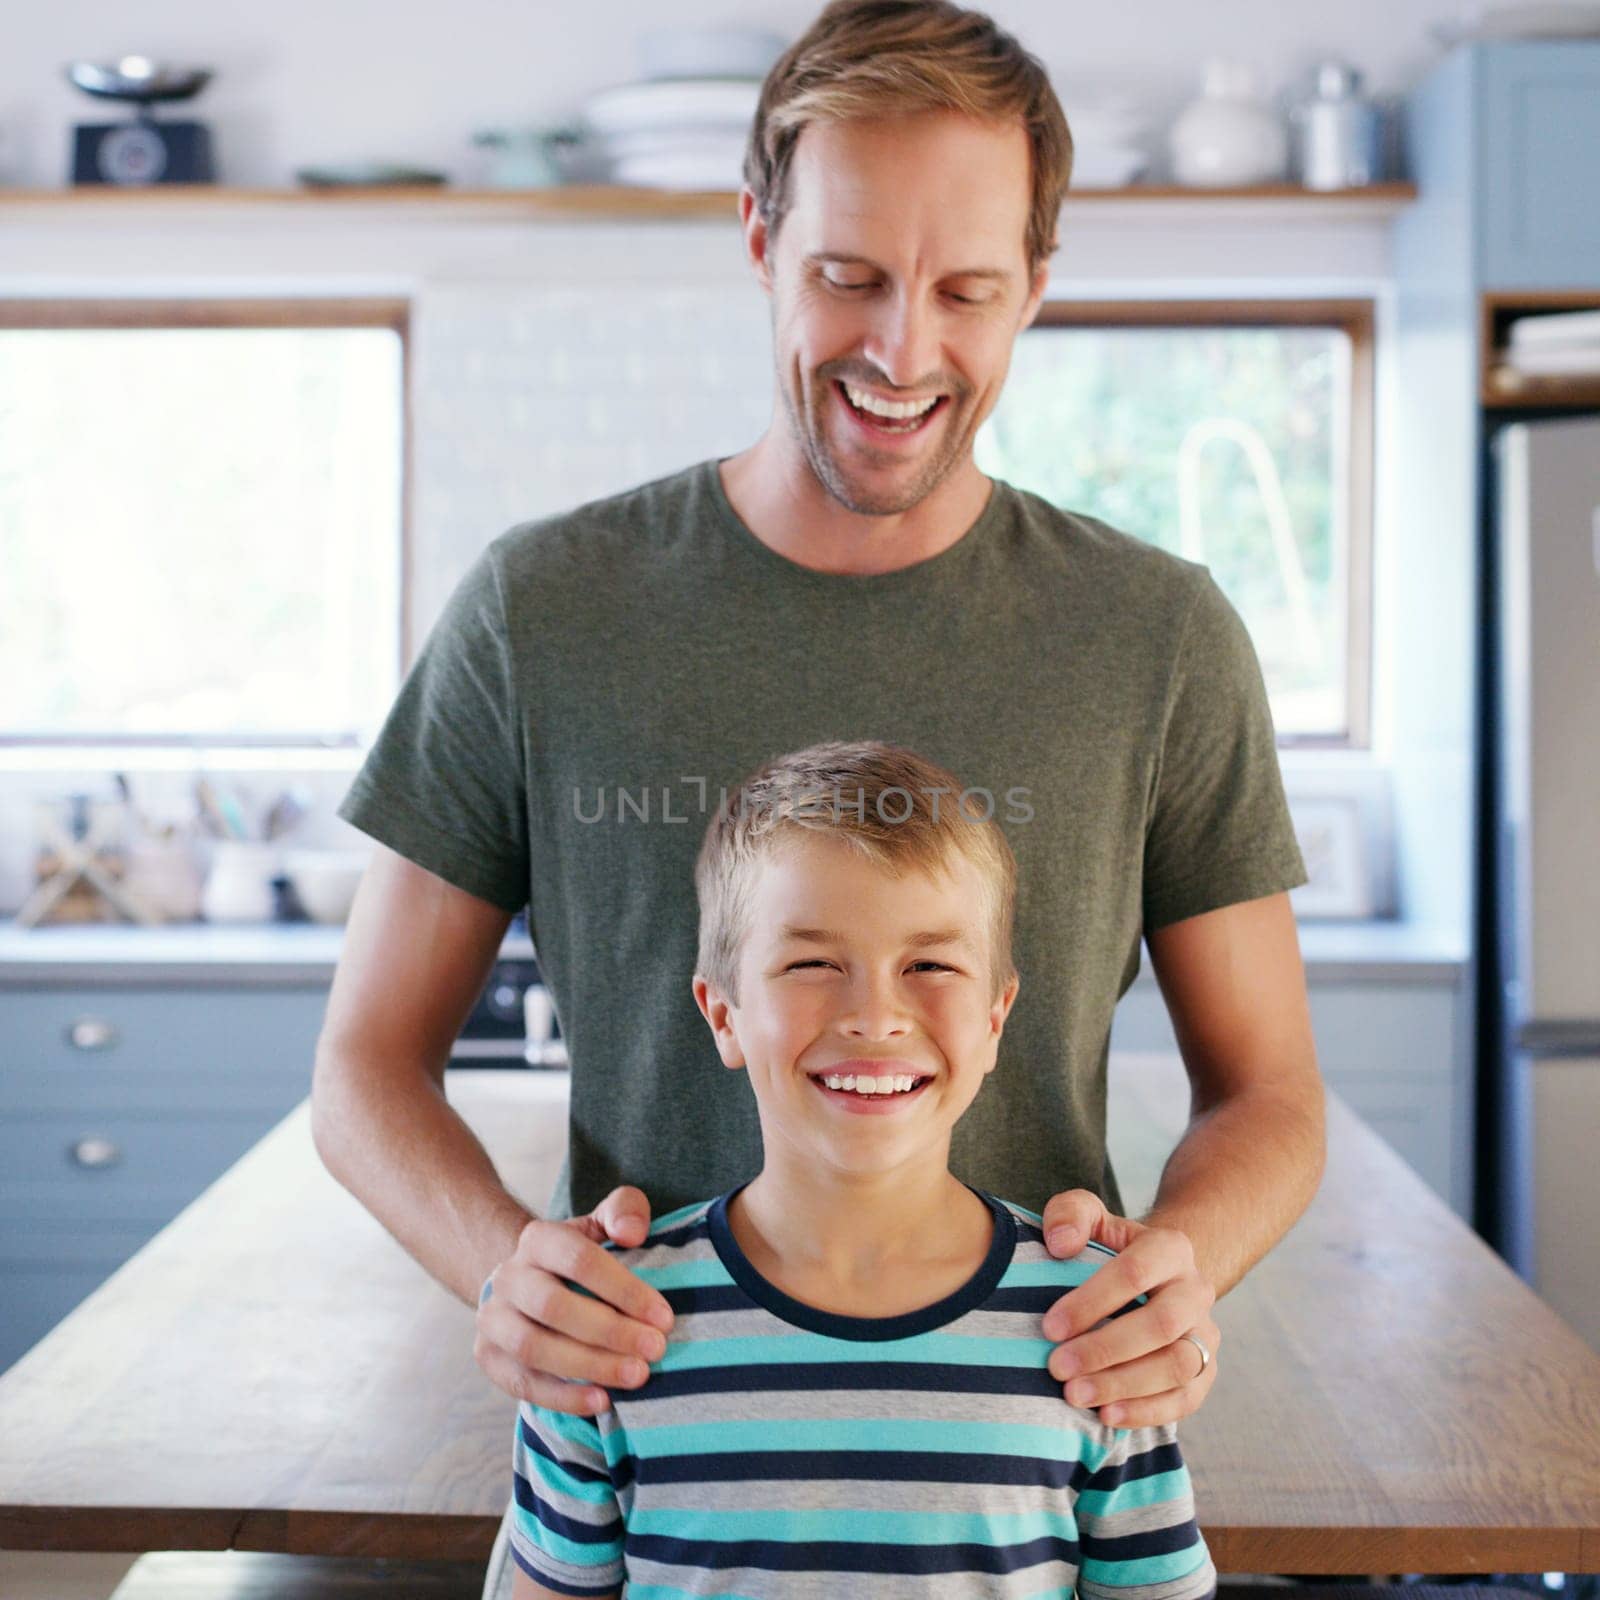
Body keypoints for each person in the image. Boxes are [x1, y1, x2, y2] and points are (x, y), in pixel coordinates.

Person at [312, 1, 1324, 1582]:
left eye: (966, 290)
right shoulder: (547, 610)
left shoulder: (1158, 635)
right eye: (848, 275)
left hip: (1019, 1477)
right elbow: (363, 1070)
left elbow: (1270, 1093)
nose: (902, 350)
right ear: (760, 240)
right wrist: (506, 1268)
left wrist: (1180, 1268)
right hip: (666, 1463)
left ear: (1036, 289)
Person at [506, 740, 1218, 1600]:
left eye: (930, 966)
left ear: (996, 1018)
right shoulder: (606, 1336)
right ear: (723, 1013)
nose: (875, 1016)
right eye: (811, 963)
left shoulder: (1095, 1333)